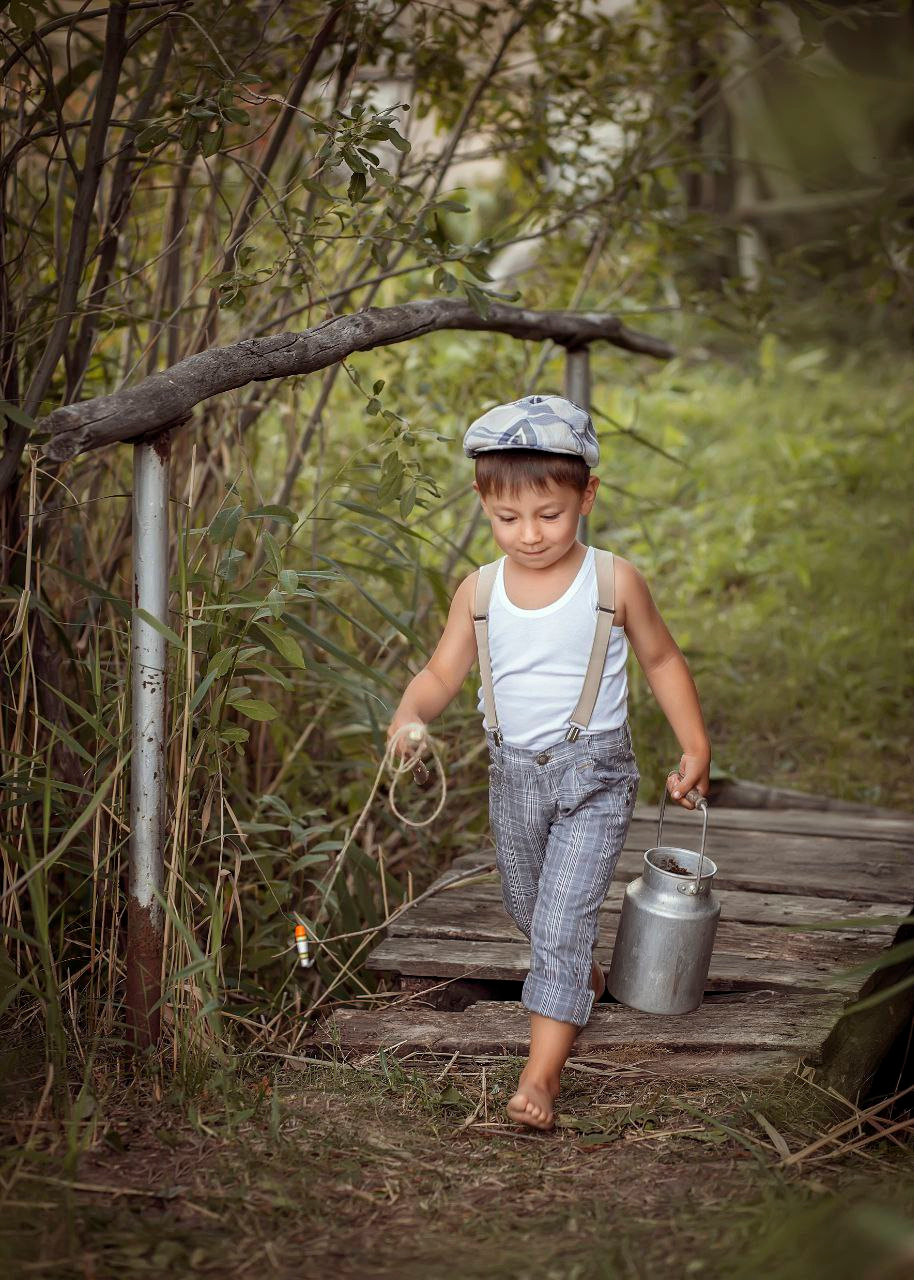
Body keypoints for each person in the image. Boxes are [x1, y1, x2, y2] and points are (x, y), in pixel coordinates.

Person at [386, 393, 711, 1131]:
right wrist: (410, 717)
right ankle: (578, 979)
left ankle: (542, 1075)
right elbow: (441, 674)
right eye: (508, 519)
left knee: (561, 924)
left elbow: (660, 659)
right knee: (530, 909)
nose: (530, 535)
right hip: (513, 778)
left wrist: (695, 744)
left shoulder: (613, 582)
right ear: (482, 503)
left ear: (586, 495)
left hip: (594, 774)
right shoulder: (480, 591)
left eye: (550, 515)